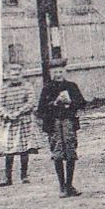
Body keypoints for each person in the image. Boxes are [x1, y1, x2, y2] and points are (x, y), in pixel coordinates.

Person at [36, 60, 87, 198]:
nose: (58, 74)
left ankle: (69, 185)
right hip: (54, 124)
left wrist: (70, 102)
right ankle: (62, 186)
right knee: (57, 153)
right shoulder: (47, 88)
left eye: (60, 71)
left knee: (71, 152)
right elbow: (40, 110)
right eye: (55, 72)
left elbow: (82, 103)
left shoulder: (71, 86)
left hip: (69, 122)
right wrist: (54, 103)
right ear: (51, 73)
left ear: (65, 71)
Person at [0, 63, 38, 186]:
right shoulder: (4, 89)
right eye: (13, 75)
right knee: (9, 150)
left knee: (24, 149)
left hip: (24, 121)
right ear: (8, 75)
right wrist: (7, 114)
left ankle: (24, 175)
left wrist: (19, 111)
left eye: (18, 74)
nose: (15, 77)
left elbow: (31, 102)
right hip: (9, 123)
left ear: (21, 74)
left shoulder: (27, 86)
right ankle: (8, 178)